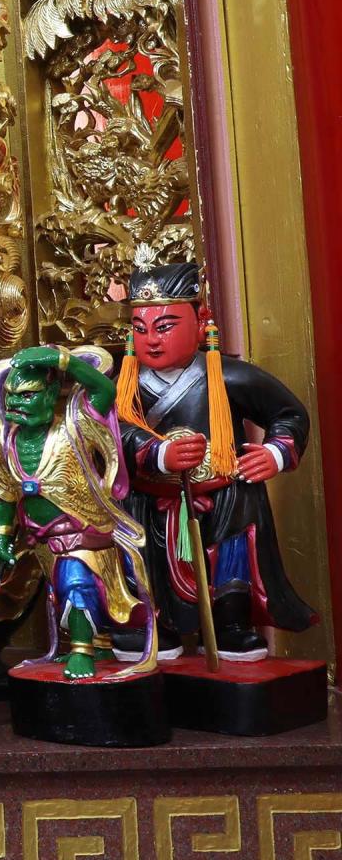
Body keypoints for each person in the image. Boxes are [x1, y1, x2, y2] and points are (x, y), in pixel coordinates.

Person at [113, 261, 317, 660]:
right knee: (146, 562)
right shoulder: (124, 385)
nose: (151, 340)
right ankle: (156, 626)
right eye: (140, 328)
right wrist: (157, 453)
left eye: (165, 326)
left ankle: (231, 626)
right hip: (151, 499)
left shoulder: (229, 376)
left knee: (229, 557)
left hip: (224, 494)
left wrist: (274, 453)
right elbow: (107, 431)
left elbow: (289, 414)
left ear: (201, 320)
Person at [0, 345, 161, 681]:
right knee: (61, 593)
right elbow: (5, 492)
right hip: (42, 539)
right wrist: (0, 535)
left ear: (51, 393)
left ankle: (82, 651)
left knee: (77, 585)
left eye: (27, 395)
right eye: (11, 396)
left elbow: (104, 390)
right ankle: (99, 644)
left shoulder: (74, 427)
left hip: (83, 532)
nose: (16, 404)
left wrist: (61, 360)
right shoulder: (4, 442)